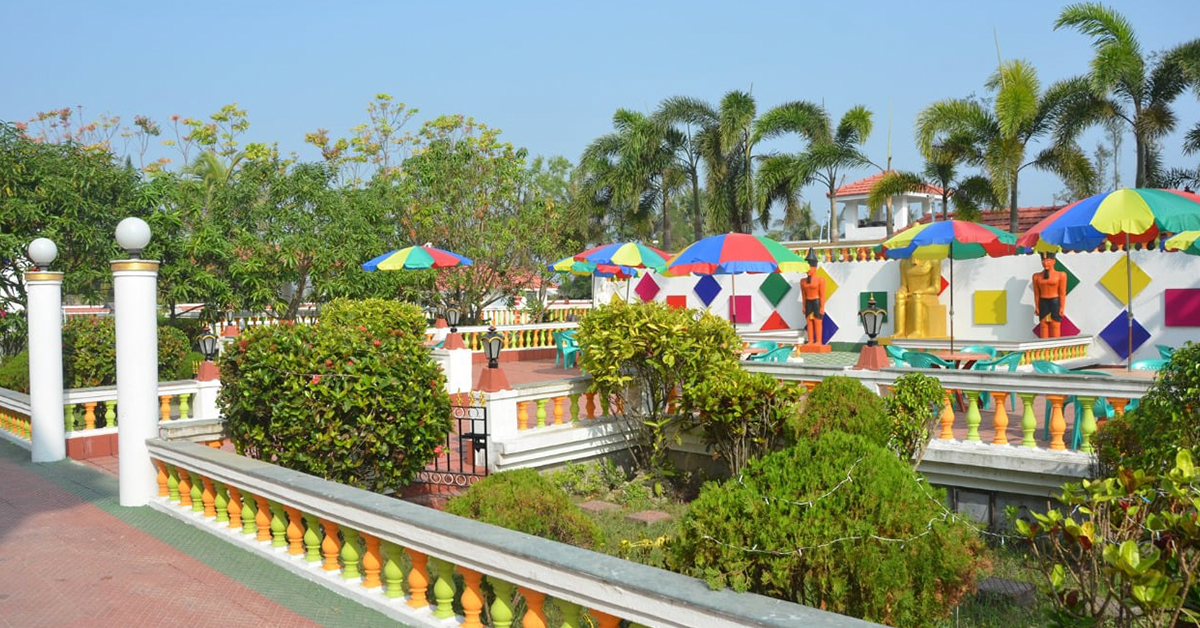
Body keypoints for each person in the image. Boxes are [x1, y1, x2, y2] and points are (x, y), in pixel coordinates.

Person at [894, 257, 941, 338]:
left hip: (926, 295)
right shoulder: (904, 262)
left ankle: (917, 331)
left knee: (917, 296)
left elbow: (936, 288)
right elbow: (904, 285)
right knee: (899, 296)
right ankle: (900, 331)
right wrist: (901, 290)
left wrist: (922, 291)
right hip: (911, 294)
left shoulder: (934, 260)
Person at [1032, 252, 1067, 338]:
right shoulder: (1036, 276)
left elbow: (1062, 293)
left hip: (1054, 301)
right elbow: (1036, 294)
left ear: (1053, 261)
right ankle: (1044, 345)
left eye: (1048, 260)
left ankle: (1056, 345)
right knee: (1043, 325)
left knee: (1055, 325)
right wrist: (1037, 307)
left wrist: (1062, 307)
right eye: (1043, 261)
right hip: (1043, 302)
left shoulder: (1061, 275)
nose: (1045, 263)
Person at [800, 249, 826, 346]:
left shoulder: (820, 280)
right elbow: (803, 295)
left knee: (817, 321)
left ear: (815, 268)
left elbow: (822, 295)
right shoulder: (802, 281)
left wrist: (822, 307)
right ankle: (810, 340)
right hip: (808, 302)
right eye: (807, 268)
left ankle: (818, 341)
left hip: (816, 301)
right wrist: (803, 306)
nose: (809, 270)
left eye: (810, 268)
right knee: (809, 321)